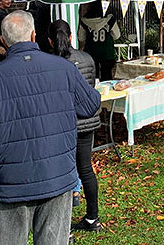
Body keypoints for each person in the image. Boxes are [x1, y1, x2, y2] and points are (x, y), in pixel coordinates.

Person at [0, 11, 101, 245]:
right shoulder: (63, 68)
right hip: (52, 174)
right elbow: (91, 104)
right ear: (33, 35)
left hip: (20, 177)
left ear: (3, 40)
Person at [47, 20, 103, 234]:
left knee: (64, 172)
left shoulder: (51, 62)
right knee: (85, 168)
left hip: (62, 124)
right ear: (71, 37)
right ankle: (93, 217)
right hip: (86, 121)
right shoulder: (87, 57)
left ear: (50, 40)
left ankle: (65, 227)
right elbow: (92, 86)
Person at [79, 3, 121, 81]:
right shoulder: (110, 20)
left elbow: (81, 38)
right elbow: (117, 36)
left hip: (91, 53)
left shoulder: (84, 21)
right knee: (107, 76)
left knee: (93, 76)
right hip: (107, 53)